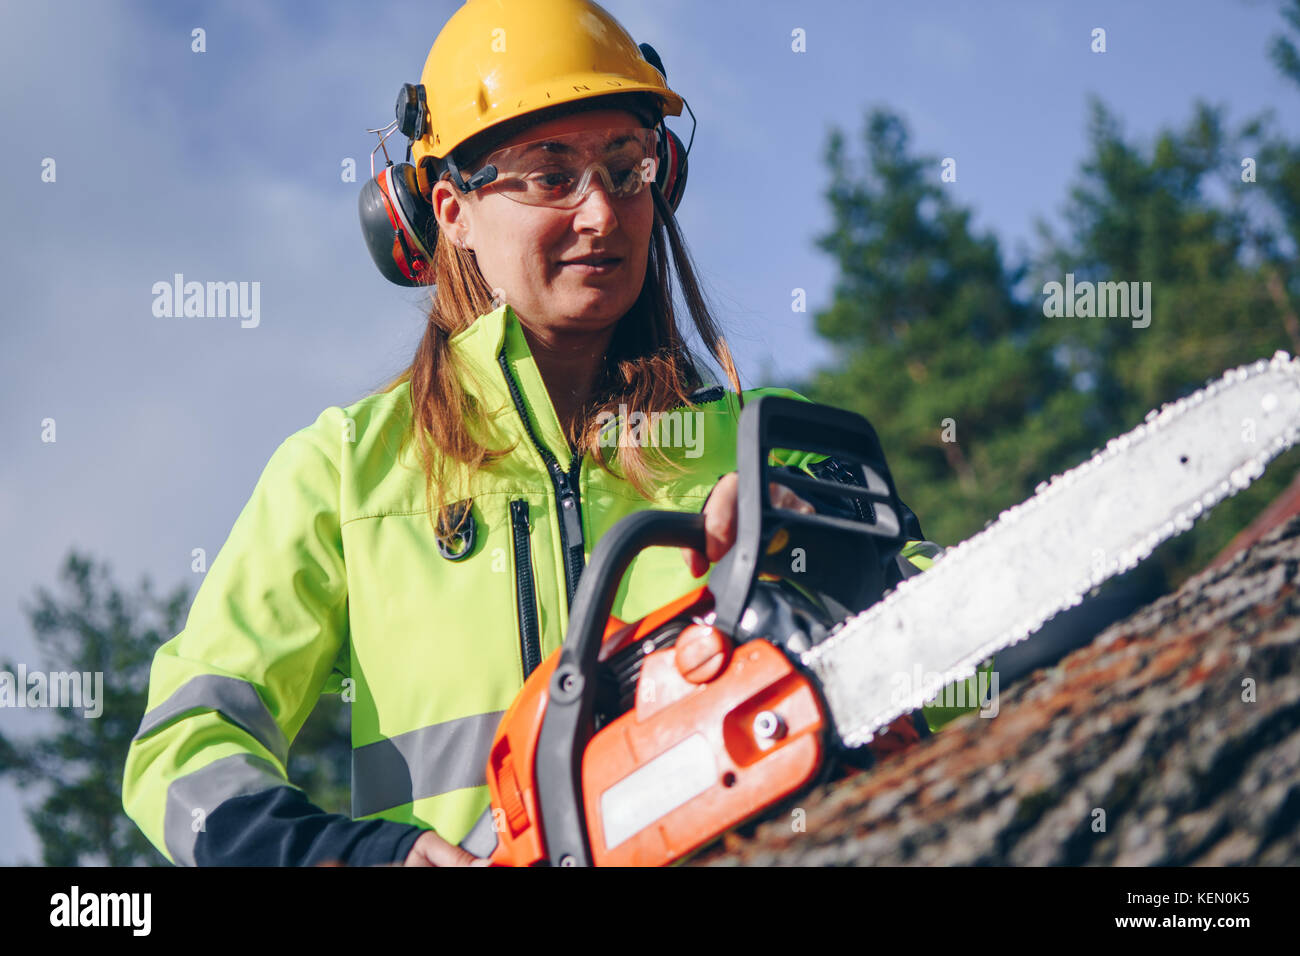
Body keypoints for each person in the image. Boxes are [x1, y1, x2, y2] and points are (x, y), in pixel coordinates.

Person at [122, 0, 976, 868]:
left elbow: (971, 645)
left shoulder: (762, 446)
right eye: (549, 173)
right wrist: (347, 857)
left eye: (625, 166)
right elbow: (183, 747)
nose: (602, 214)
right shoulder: (343, 473)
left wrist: (820, 564)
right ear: (450, 210)